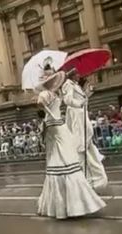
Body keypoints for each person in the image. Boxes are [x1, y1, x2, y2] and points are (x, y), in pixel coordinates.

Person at [36, 65, 105, 219]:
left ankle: (68, 200)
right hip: (53, 126)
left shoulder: (54, 93)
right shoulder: (45, 94)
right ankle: (65, 202)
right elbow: (41, 109)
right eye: (50, 79)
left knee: (64, 157)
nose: (53, 82)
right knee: (60, 158)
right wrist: (45, 110)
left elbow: (61, 102)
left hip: (58, 125)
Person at [62, 70, 108, 190]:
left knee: (86, 142)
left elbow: (83, 100)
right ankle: (83, 178)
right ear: (72, 74)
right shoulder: (68, 84)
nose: (79, 75)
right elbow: (67, 100)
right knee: (80, 145)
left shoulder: (76, 85)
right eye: (77, 73)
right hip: (77, 116)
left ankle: (90, 178)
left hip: (82, 115)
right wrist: (80, 103)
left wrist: (88, 93)